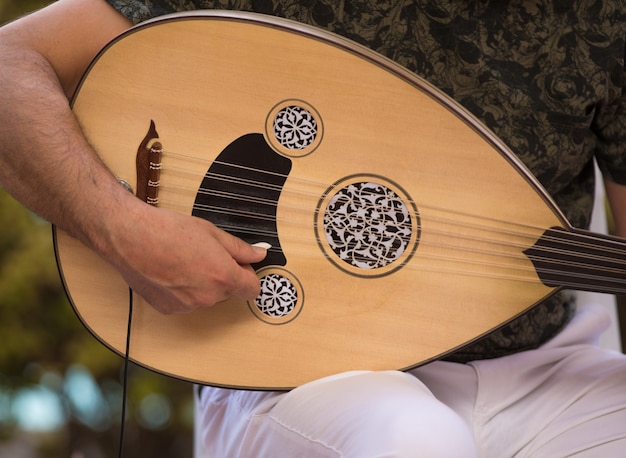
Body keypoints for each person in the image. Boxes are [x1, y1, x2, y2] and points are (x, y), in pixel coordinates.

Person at [2, 0, 626, 456]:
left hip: (547, 371)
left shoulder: (600, 18)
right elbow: (10, 62)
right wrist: (122, 229)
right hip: (290, 377)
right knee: (416, 444)